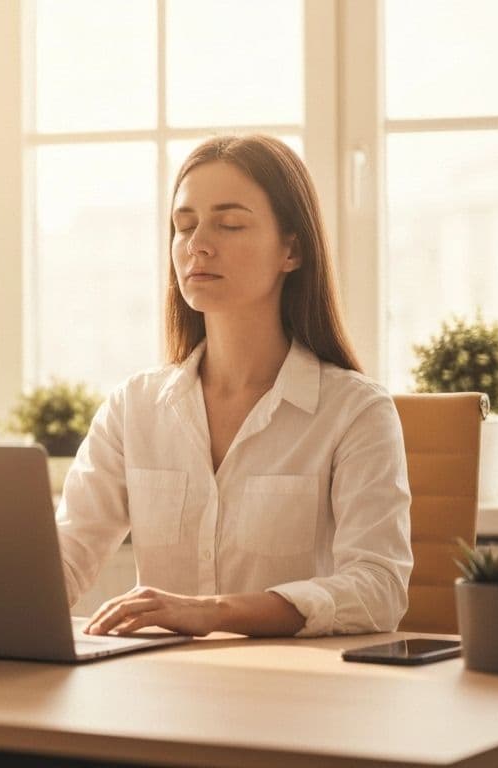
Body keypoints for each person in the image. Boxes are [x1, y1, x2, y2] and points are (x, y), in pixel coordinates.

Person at [59, 134, 413, 638]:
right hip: (159, 694)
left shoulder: (355, 411)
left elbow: (379, 589)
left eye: (229, 224)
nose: (198, 244)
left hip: (298, 696)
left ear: (291, 249)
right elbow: (68, 551)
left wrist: (212, 612)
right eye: (184, 226)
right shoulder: (133, 408)